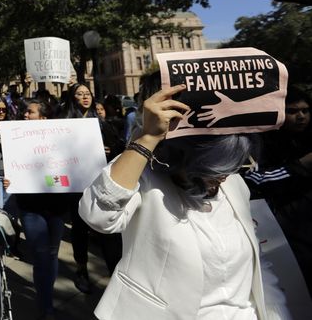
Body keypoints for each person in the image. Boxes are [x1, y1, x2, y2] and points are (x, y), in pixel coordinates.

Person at [79, 84, 290, 319]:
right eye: (213, 169)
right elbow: (98, 215)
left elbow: (257, 266)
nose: (223, 177)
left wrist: (277, 314)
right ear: (186, 158)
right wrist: (147, 138)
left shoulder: (234, 186)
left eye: (233, 167)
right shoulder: (147, 181)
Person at [3, 99, 71, 319]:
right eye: (24, 112)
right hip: (30, 206)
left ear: (43, 118)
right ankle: (46, 306)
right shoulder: (17, 137)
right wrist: (9, 180)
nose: (25, 115)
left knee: (52, 253)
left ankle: (46, 294)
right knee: (41, 254)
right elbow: (14, 168)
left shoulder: (60, 138)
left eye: (30, 112)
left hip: (56, 207)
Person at [244, 86, 312, 296]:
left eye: (305, 110)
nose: (300, 116)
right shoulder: (261, 142)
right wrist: (300, 166)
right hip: (286, 230)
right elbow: (254, 180)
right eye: (292, 111)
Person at [63, 83, 123, 293]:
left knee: (107, 230)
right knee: (79, 231)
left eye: (87, 94)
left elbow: (120, 148)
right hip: (77, 188)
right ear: (72, 98)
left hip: (101, 187)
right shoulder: (64, 124)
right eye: (79, 94)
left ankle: (116, 274)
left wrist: (110, 149)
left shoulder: (102, 123)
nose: (84, 97)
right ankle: (81, 270)